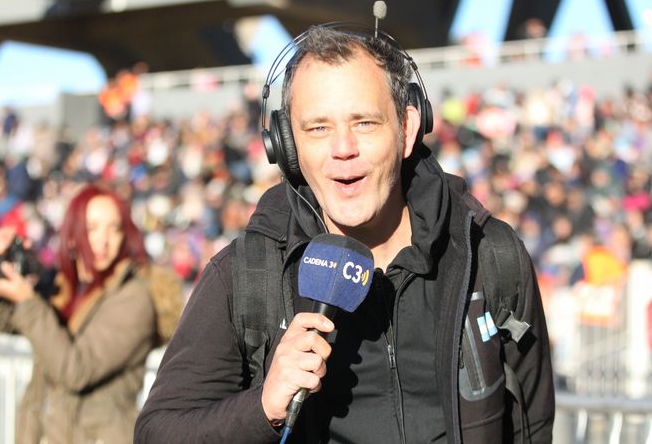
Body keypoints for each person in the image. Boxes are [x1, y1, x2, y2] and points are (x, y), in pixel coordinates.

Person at [136, 23, 554, 442]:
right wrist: (263, 407)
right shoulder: (246, 274)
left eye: (365, 123)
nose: (342, 148)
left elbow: (533, 428)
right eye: (317, 128)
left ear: (407, 129)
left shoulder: (490, 255)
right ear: (287, 146)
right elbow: (157, 434)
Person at [0, 184, 182, 444]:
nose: (103, 239)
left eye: (114, 228)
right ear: (72, 232)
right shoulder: (61, 288)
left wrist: (29, 301)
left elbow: (75, 370)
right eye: (91, 228)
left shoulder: (134, 299)